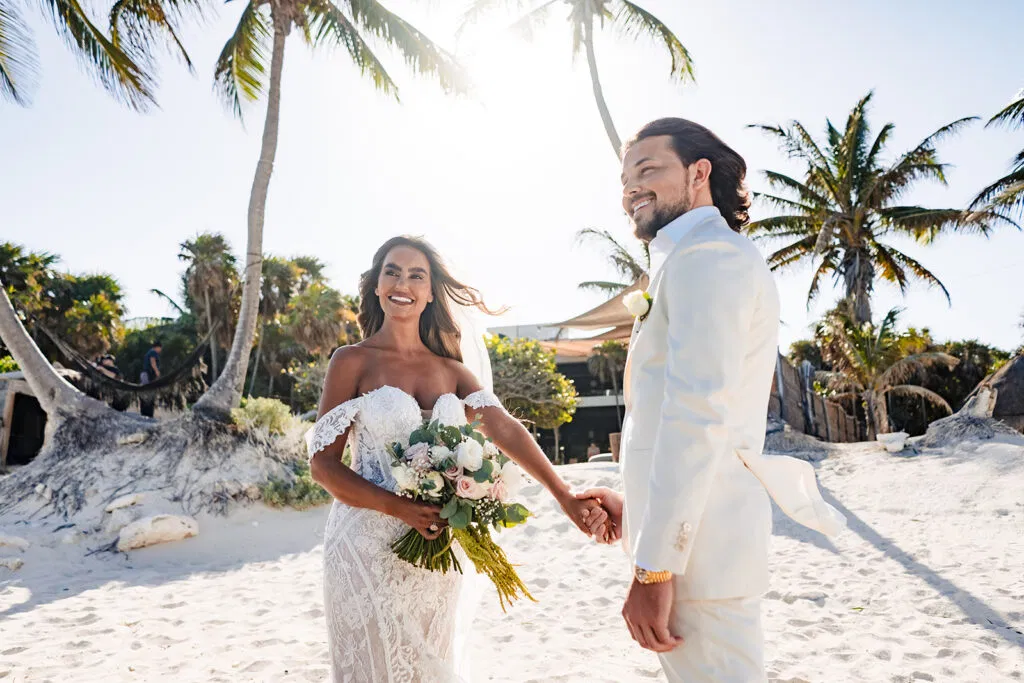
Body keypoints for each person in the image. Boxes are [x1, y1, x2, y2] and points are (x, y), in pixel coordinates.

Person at [577, 118, 845, 682]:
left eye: (647, 170)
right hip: (694, 553)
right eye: (625, 178)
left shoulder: (709, 257)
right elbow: (672, 426)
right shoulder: (694, 257)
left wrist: (653, 570)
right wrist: (638, 518)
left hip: (696, 563)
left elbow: (699, 417)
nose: (630, 189)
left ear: (699, 173)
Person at [306, 235, 607, 682]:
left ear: (430, 292)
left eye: (416, 275)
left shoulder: (452, 370)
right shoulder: (352, 361)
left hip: (436, 546)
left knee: (431, 667)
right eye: (391, 271)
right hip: (365, 547)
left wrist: (564, 495)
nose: (402, 283)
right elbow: (323, 465)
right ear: (375, 285)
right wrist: (400, 507)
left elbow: (505, 428)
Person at [139, 340, 161, 418]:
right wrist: (157, 371)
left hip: (145, 375)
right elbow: (153, 362)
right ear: (157, 347)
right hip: (147, 375)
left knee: (147, 393)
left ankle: (145, 413)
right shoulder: (153, 352)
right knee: (147, 393)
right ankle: (147, 413)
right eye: (160, 348)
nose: (160, 350)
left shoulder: (149, 352)